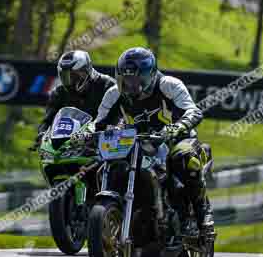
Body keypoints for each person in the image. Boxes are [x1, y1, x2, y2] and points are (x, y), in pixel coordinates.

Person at [94, 46, 213, 237]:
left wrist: (172, 129)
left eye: (135, 80)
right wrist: (83, 135)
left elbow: (193, 111)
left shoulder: (168, 85)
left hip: (177, 138)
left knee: (184, 158)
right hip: (138, 143)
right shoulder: (114, 94)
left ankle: (202, 214)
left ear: (149, 75)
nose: (130, 86)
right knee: (105, 166)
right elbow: (98, 123)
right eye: (126, 80)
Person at [30, 50, 115, 150]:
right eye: (65, 77)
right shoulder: (59, 92)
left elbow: (121, 114)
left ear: (86, 71)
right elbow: (47, 120)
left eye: (74, 76)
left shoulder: (108, 86)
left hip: (103, 143)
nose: (70, 82)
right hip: (69, 146)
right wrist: (42, 134)